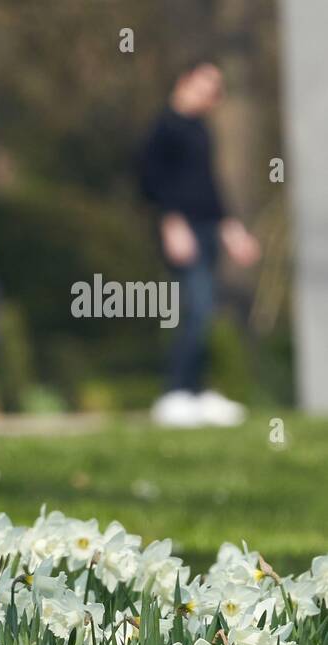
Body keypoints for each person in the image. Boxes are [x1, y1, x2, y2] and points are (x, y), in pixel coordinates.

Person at [140, 60, 261, 428]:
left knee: (206, 312)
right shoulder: (165, 127)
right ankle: (176, 392)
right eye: (206, 86)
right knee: (197, 308)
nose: (212, 96)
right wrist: (172, 222)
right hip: (184, 230)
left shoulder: (201, 131)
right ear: (185, 82)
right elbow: (150, 180)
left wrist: (231, 228)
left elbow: (210, 186)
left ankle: (195, 391)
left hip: (208, 228)